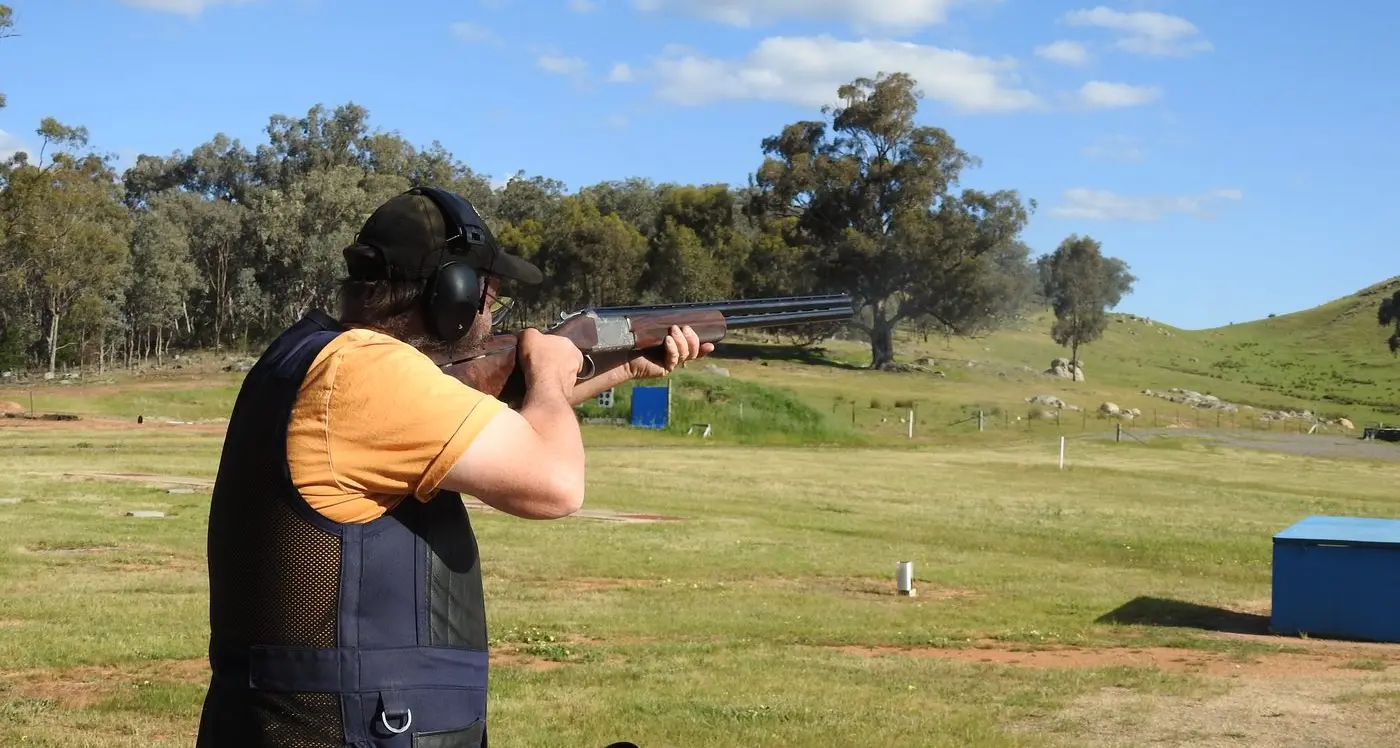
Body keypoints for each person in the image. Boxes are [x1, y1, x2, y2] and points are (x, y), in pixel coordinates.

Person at [195, 186, 712, 748]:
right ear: (453, 295)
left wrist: (620, 367)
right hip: (355, 730)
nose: (491, 321)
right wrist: (548, 370)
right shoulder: (368, 373)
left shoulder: (308, 355)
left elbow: (485, 422)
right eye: (491, 302)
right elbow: (557, 487)